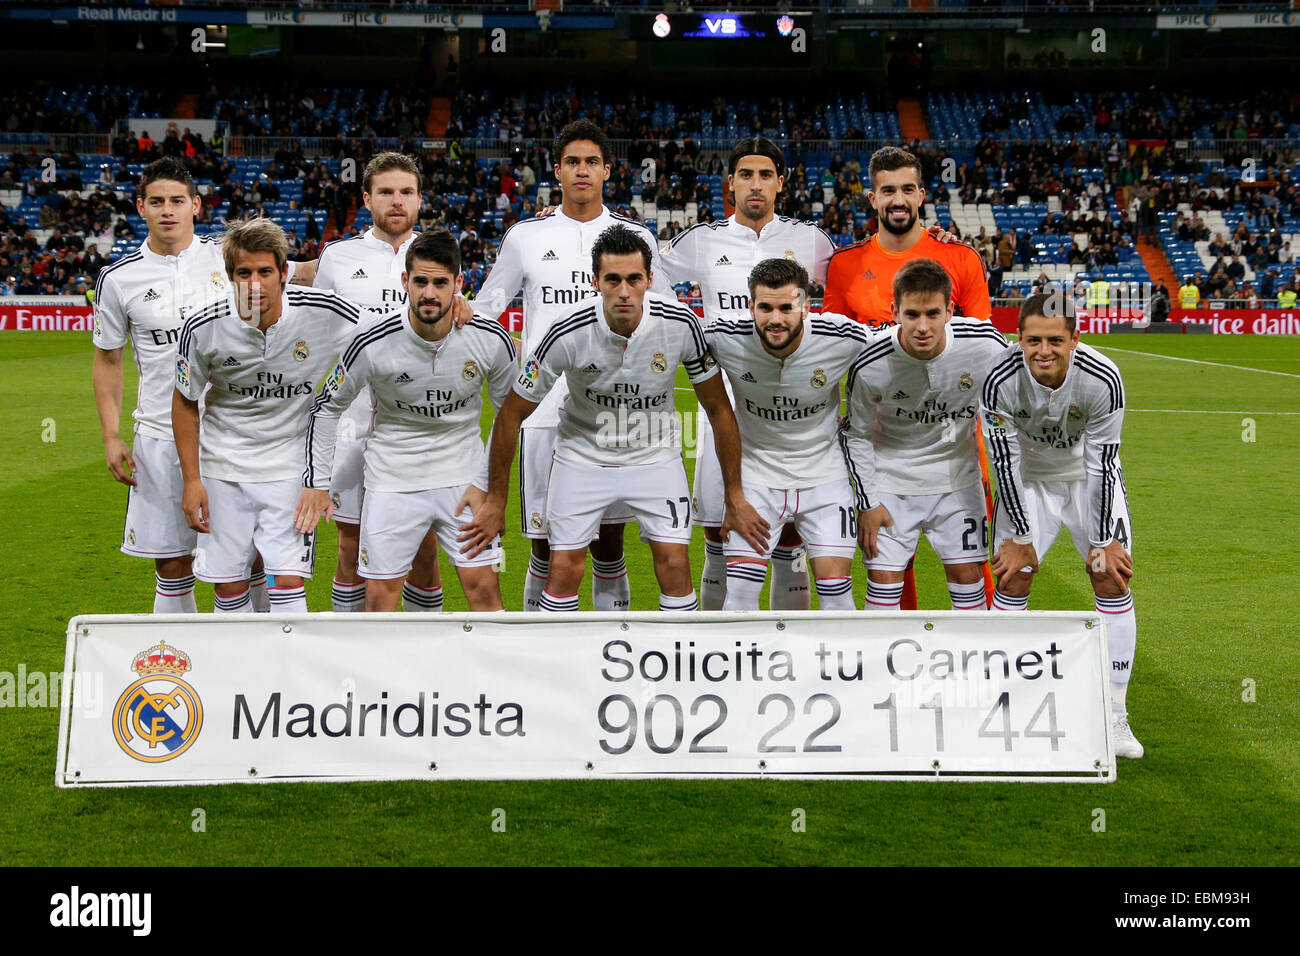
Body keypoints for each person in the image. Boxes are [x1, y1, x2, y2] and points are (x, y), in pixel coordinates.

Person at [460, 224, 766, 612]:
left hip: (656, 458)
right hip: (581, 459)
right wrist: (495, 500)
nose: (624, 291)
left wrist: (735, 495)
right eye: (613, 279)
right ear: (595, 282)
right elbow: (510, 416)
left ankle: (678, 663)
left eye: (634, 279)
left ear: (650, 280)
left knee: (674, 566)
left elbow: (719, 409)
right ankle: (558, 670)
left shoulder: (680, 324)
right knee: (563, 569)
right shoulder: (565, 331)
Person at [91, 158, 312, 614]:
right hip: (159, 434)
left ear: (196, 205)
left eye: (177, 200)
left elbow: (307, 272)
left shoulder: (228, 259)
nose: (167, 210)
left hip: (234, 432)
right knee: (172, 566)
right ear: (140, 207)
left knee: (247, 564)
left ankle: (259, 672)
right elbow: (108, 360)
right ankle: (183, 677)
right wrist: (112, 436)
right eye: (156, 201)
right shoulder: (118, 279)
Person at [473, 120, 661, 612]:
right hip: (539, 409)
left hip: (612, 407)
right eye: (573, 162)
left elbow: (656, 318)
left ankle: (607, 646)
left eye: (592, 162)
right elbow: (488, 308)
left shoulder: (635, 237)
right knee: (542, 539)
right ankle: (542, 648)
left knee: (609, 541)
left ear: (607, 170)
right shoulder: (526, 236)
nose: (582, 170)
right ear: (557, 170)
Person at [656, 135, 836, 611]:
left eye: (765, 175)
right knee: (721, 526)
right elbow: (647, 271)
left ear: (781, 183)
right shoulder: (703, 240)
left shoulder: (812, 241)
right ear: (730, 184)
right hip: (727, 409)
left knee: (792, 534)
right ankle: (719, 644)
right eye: (745, 175)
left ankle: (787, 646)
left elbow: (849, 286)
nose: (755, 185)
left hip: (794, 411)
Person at [298, 229, 514, 612]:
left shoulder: (489, 338)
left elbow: (509, 414)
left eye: (440, 283)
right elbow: (327, 407)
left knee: (484, 593)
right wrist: (317, 482)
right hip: (392, 481)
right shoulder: (372, 341)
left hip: (463, 480)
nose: (429, 293)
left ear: (459, 284)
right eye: (420, 282)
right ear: (405, 282)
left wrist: (493, 491)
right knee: (379, 602)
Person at [823, 145, 995, 610]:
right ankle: (900, 661)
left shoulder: (960, 258)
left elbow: (981, 351)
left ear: (921, 194)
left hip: (951, 433)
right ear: (873, 198)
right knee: (890, 561)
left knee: (972, 563)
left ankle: (983, 655)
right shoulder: (844, 265)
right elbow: (832, 352)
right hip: (877, 435)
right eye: (887, 190)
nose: (897, 199)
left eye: (906, 189)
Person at [980, 292, 1142, 758]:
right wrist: (1022, 539)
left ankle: (1114, 715)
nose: (1043, 351)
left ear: (1076, 338)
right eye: (1033, 340)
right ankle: (1001, 708)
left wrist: (1103, 541)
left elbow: (1103, 462)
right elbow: (1003, 462)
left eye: (1055, 340)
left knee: (1109, 575)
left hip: (1084, 477)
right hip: (1026, 479)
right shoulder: (998, 381)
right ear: (1019, 338)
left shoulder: (1103, 378)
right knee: (1013, 577)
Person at [173, 218, 360, 613]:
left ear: (283, 273)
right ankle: (239, 674)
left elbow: (392, 330)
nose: (255, 284)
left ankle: (288, 672)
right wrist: (191, 480)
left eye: (265, 272)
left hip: (290, 468)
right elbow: (185, 401)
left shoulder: (323, 312)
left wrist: (459, 310)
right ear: (228, 275)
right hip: (222, 467)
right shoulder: (202, 327)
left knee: (288, 581)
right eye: (244, 273)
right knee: (227, 587)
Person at [313, 152, 466, 614]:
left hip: (419, 426)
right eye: (385, 192)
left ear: (420, 199)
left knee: (421, 544)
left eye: (405, 192)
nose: (396, 201)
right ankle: (351, 645)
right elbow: (318, 336)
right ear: (366, 199)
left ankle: (422, 650)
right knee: (349, 539)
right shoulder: (338, 258)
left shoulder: (438, 254)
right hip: (353, 423)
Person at [840, 259, 1009, 612]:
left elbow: (1012, 406)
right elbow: (854, 435)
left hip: (957, 483)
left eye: (933, 314)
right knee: (884, 584)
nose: (922, 326)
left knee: (968, 580)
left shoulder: (986, 346)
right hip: (890, 485)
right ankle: (881, 667)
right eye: (912, 314)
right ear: (894, 311)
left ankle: (972, 665)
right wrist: (868, 503)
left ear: (950, 310)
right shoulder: (870, 361)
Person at [704, 257, 873, 610]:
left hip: (824, 480)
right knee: (739, 600)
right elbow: (668, 336)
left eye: (786, 308)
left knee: (838, 598)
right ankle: (744, 665)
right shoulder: (723, 337)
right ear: (751, 306)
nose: (776, 319)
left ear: (805, 307)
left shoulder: (844, 338)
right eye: (765, 308)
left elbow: (899, 351)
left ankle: (822, 666)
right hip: (756, 481)